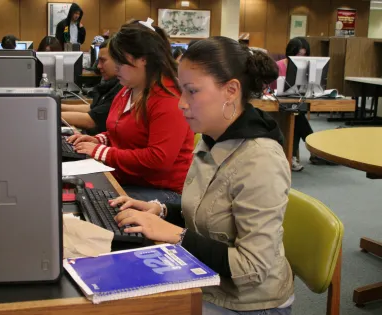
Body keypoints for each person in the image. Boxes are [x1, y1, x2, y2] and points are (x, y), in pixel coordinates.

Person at [111, 37, 294, 315]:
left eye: (192, 91)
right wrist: (159, 211)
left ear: (231, 90)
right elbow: (207, 211)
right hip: (205, 280)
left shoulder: (260, 159)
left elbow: (252, 269)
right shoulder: (211, 137)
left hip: (247, 303)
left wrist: (175, 235)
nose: (181, 104)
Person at [68, 24, 194, 204]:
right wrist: (100, 139)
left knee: (93, 203)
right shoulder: (128, 89)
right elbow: (120, 132)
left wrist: (102, 152)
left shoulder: (168, 98)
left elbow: (159, 159)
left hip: (163, 192)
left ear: (142, 60)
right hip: (130, 181)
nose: (116, 68)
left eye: (120, 62)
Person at [274, 37, 329, 171]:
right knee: (296, 115)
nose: (301, 58)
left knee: (296, 114)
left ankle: (293, 156)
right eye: (299, 54)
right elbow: (272, 88)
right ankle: (314, 149)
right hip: (278, 106)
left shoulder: (306, 68)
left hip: (295, 103)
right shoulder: (278, 66)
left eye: (304, 55)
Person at [61, 41, 122, 135]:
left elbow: (91, 120)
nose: (98, 66)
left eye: (103, 60)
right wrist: (58, 107)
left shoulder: (121, 88)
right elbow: (93, 108)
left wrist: (50, 115)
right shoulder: (111, 85)